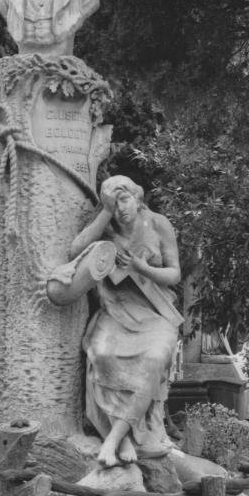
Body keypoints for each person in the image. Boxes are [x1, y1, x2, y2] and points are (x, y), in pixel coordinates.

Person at [69, 175, 182, 467]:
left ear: (137, 196)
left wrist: (141, 267)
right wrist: (103, 213)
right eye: (112, 204)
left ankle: (113, 440)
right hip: (116, 311)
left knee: (155, 358)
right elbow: (74, 250)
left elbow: (174, 274)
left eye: (124, 199)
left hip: (155, 313)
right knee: (102, 355)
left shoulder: (158, 224)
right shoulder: (105, 230)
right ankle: (125, 437)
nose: (120, 209)